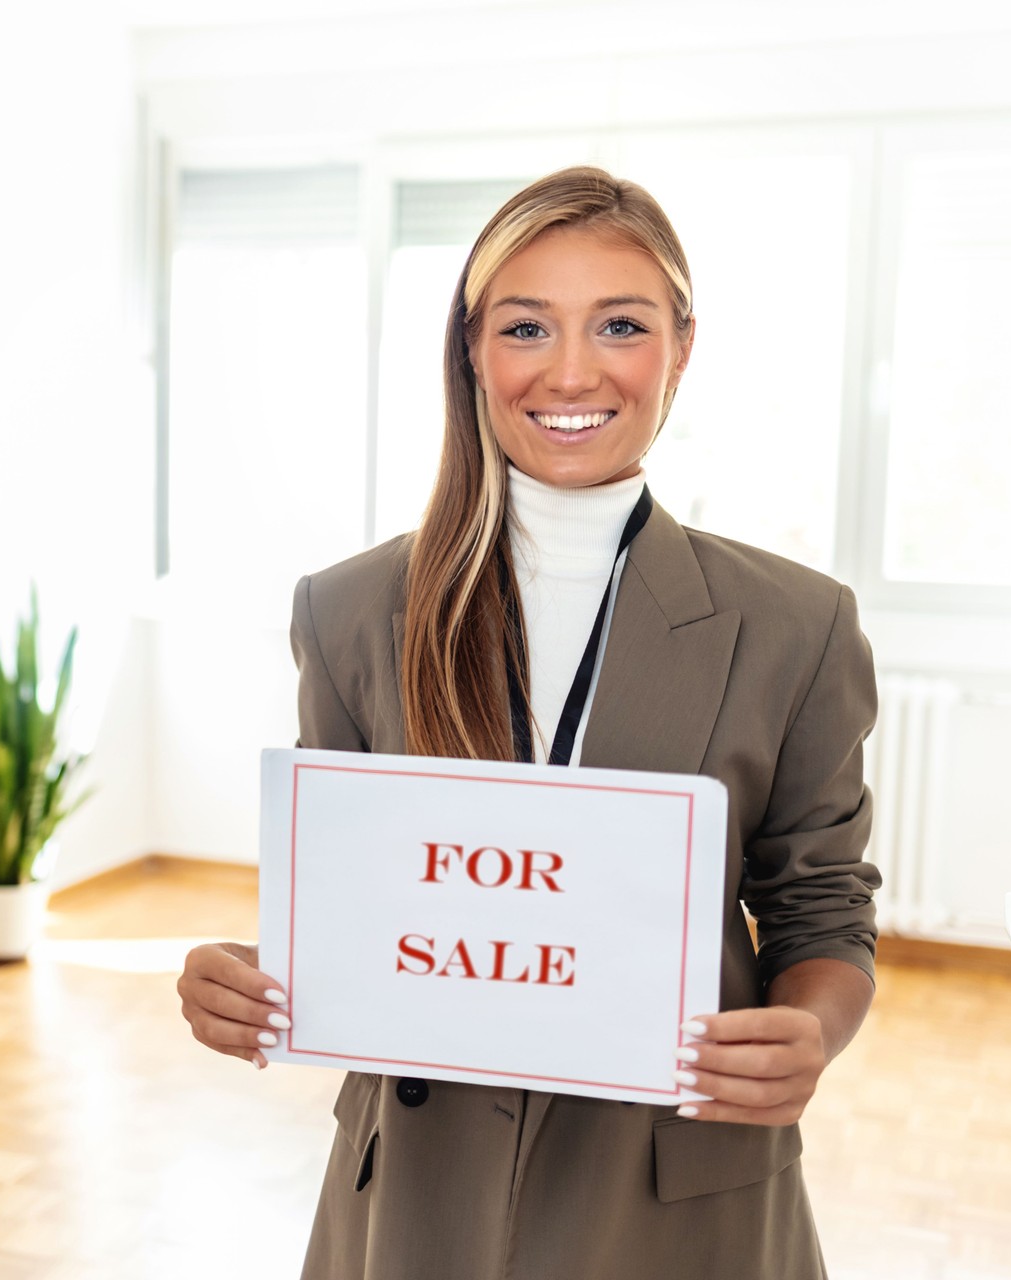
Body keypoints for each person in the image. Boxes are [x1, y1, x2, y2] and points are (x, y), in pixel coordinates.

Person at [176, 165, 879, 1279]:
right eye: (525, 326)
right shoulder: (350, 608)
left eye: (620, 324)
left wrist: (814, 1032)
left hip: (672, 1182)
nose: (571, 370)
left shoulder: (797, 624)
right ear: (471, 352)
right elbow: (362, 897)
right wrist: (248, 976)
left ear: (681, 348)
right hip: (420, 1179)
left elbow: (822, 909)